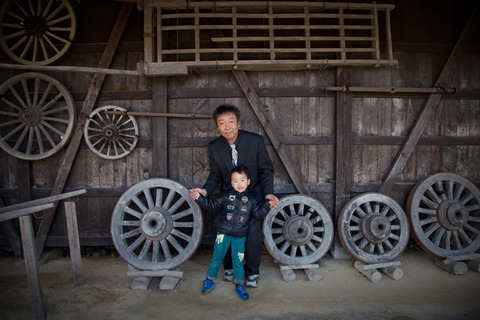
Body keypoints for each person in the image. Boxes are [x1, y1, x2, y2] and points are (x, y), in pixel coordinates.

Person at [188, 103, 279, 288]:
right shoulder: (214, 147)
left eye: (231, 121)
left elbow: (266, 170)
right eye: (222, 123)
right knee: (225, 230)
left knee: (253, 234)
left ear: (238, 123)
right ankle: (229, 268)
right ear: (217, 126)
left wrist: (268, 193)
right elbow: (215, 174)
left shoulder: (255, 141)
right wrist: (205, 190)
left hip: (252, 197)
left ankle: (252, 272)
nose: (227, 126)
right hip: (228, 197)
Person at [189, 166, 276, 300]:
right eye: (235, 181)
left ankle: (239, 285)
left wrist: (267, 206)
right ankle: (209, 281)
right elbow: (211, 206)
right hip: (223, 233)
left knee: (238, 260)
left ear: (248, 182)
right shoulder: (225, 196)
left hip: (240, 236)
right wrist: (198, 198)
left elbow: (258, 214)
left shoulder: (252, 200)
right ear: (231, 183)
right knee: (217, 257)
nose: (239, 184)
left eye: (242, 180)